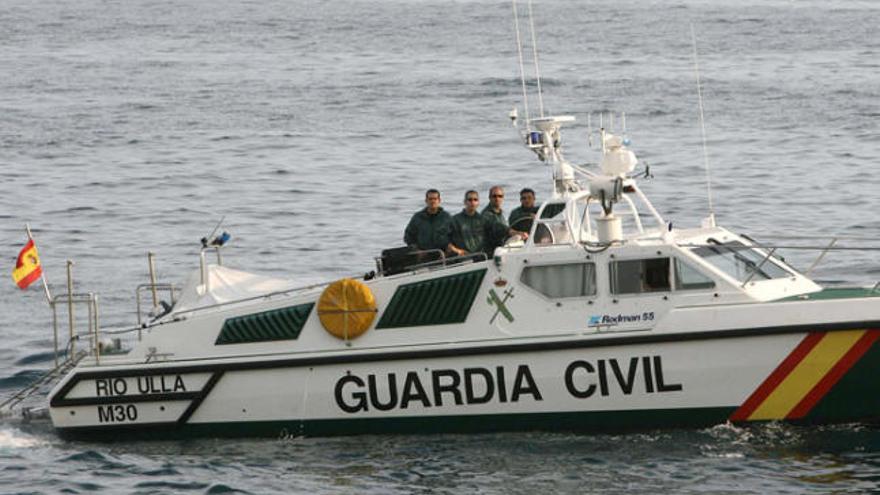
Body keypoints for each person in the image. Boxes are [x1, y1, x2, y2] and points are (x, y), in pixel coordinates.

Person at [482, 185, 525, 252]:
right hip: (491, 251)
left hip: (501, 247)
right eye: (494, 196)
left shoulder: (501, 214)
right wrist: (514, 232)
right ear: (489, 198)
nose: (497, 199)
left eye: (500, 196)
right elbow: (498, 226)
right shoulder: (486, 214)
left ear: (503, 198)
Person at [448, 190, 489, 257]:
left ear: (478, 203)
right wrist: (456, 250)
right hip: (462, 258)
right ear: (465, 202)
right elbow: (444, 239)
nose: (472, 202)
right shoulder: (455, 220)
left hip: (480, 256)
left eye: (475, 200)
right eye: (470, 200)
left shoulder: (483, 220)